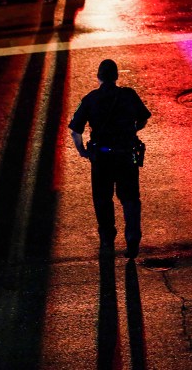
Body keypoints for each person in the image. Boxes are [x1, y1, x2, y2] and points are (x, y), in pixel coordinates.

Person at [69, 59, 151, 258]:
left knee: (102, 198)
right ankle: (132, 236)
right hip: (125, 155)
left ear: (99, 77)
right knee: (130, 198)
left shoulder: (90, 99)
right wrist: (131, 130)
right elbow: (143, 118)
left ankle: (107, 237)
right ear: (116, 77)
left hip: (102, 158)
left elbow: (75, 131)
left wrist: (82, 151)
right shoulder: (129, 95)